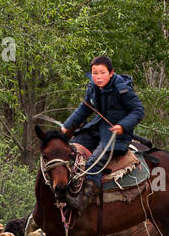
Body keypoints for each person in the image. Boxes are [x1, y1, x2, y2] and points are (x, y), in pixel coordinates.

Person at [59, 55, 145, 210]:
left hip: (116, 135)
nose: (98, 77)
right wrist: (67, 126)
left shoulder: (122, 88)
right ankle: (66, 190)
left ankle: (84, 201)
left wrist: (122, 126)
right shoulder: (93, 87)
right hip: (97, 128)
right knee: (71, 149)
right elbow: (84, 109)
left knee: (94, 162)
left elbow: (138, 110)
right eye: (95, 73)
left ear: (111, 73)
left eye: (102, 73)